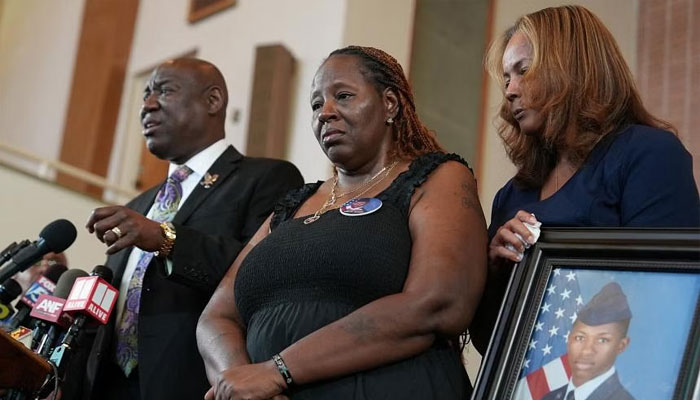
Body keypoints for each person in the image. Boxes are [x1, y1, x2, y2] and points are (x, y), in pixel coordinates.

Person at [196, 45, 488, 399]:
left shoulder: (436, 177)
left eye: (344, 96)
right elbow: (217, 315)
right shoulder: (295, 203)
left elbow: (439, 302)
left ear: (390, 104)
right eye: (316, 105)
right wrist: (237, 381)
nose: (326, 113)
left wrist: (278, 371)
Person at [470, 5, 700, 354]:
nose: (510, 90)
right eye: (506, 78)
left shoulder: (647, 155)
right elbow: (490, 343)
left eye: (524, 71)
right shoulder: (511, 196)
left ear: (571, 67)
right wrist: (494, 266)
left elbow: (670, 297)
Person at [75, 58, 304, 400]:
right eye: (146, 94)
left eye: (164, 91)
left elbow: (259, 273)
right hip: (106, 387)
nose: (147, 104)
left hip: (194, 384)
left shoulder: (266, 178)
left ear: (213, 101)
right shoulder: (138, 205)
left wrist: (164, 238)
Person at [543, 282, 634, 400]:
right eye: (580, 338)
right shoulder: (549, 398)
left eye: (602, 340)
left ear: (621, 345)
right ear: (569, 338)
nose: (586, 351)